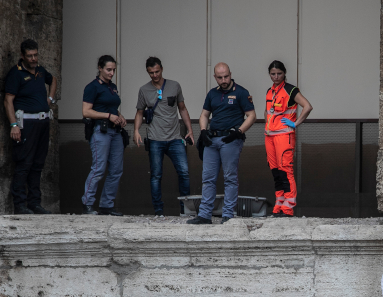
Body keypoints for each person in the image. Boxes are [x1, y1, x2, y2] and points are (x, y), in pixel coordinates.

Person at [188, 63, 256, 225]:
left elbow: (252, 115)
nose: (224, 80)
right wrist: (203, 131)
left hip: (230, 139)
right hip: (212, 139)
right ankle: (205, 215)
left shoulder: (241, 92)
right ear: (215, 77)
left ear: (230, 74)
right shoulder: (212, 93)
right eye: (220, 77)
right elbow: (204, 114)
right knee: (208, 178)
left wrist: (239, 132)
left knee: (230, 177)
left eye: (226, 76)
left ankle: (227, 215)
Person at [133, 57, 194, 217]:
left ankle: (185, 210)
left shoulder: (174, 85)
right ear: (148, 72)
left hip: (175, 138)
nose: (155, 75)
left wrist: (190, 130)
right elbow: (139, 112)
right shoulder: (144, 90)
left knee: (184, 172)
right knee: (156, 175)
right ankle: (158, 211)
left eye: (157, 71)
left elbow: (182, 109)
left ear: (162, 69)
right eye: (151, 73)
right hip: (155, 138)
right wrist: (136, 130)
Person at [3, 39, 56, 215]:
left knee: (38, 163)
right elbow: (8, 101)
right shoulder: (15, 74)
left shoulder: (40, 71)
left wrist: (51, 98)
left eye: (35, 55)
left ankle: (34, 203)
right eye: (30, 56)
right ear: (22, 56)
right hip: (26, 123)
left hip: (43, 122)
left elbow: (53, 79)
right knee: (24, 163)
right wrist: (14, 125)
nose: (33, 59)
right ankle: (19, 204)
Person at [264, 60, 312, 217]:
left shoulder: (291, 90)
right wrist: (269, 124)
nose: (276, 77)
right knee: (276, 171)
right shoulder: (269, 91)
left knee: (286, 170)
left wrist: (295, 123)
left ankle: (288, 207)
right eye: (273, 74)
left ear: (284, 73)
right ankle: (279, 204)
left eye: (279, 73)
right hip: (270, 135)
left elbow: (307, 106)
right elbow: (267, 112)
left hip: (284, 135)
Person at [81, 55, 126, 216]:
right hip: (101, 130)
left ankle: (107, 205)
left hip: (115, 131)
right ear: (100, 68)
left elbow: (112, 106)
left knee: (116, 169)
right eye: (108, 69)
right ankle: (87, 203)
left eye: (114, 70)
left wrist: (119, 116)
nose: (111, 73)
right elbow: (86, 111)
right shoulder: (92, 87)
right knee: (99, 168)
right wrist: (108, 116)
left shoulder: (112, 87)